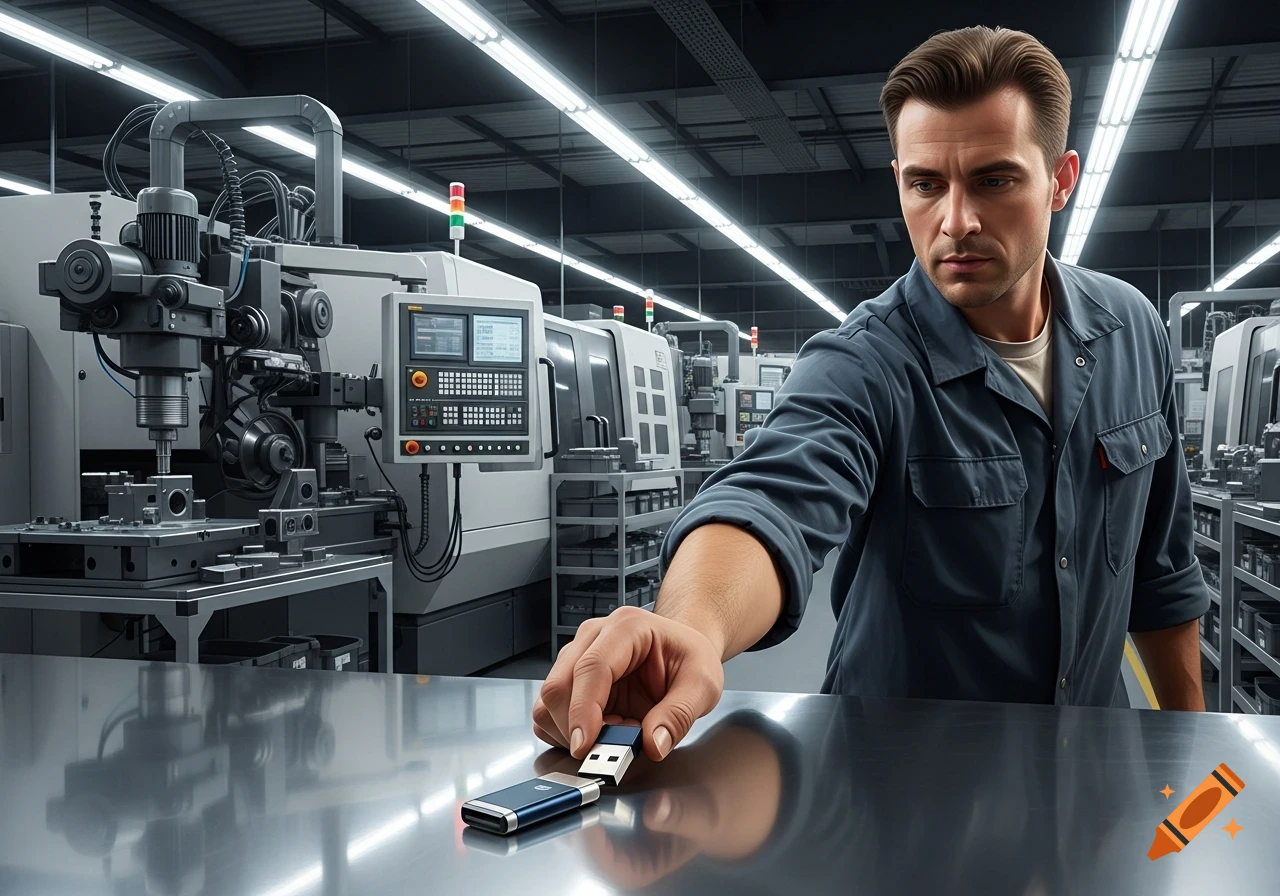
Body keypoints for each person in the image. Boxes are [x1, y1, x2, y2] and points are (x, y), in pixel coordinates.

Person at [534, 26, 1210, 764]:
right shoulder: (867, 363)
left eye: (994, 180)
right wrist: (692, 626)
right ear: (899, 181)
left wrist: (1197, 752)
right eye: (926, 184)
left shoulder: (1131, 332)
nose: (956, 221)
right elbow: (770, 497)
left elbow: (1162, 576)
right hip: (904, 787)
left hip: (1092, 772)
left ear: (1061, 179)